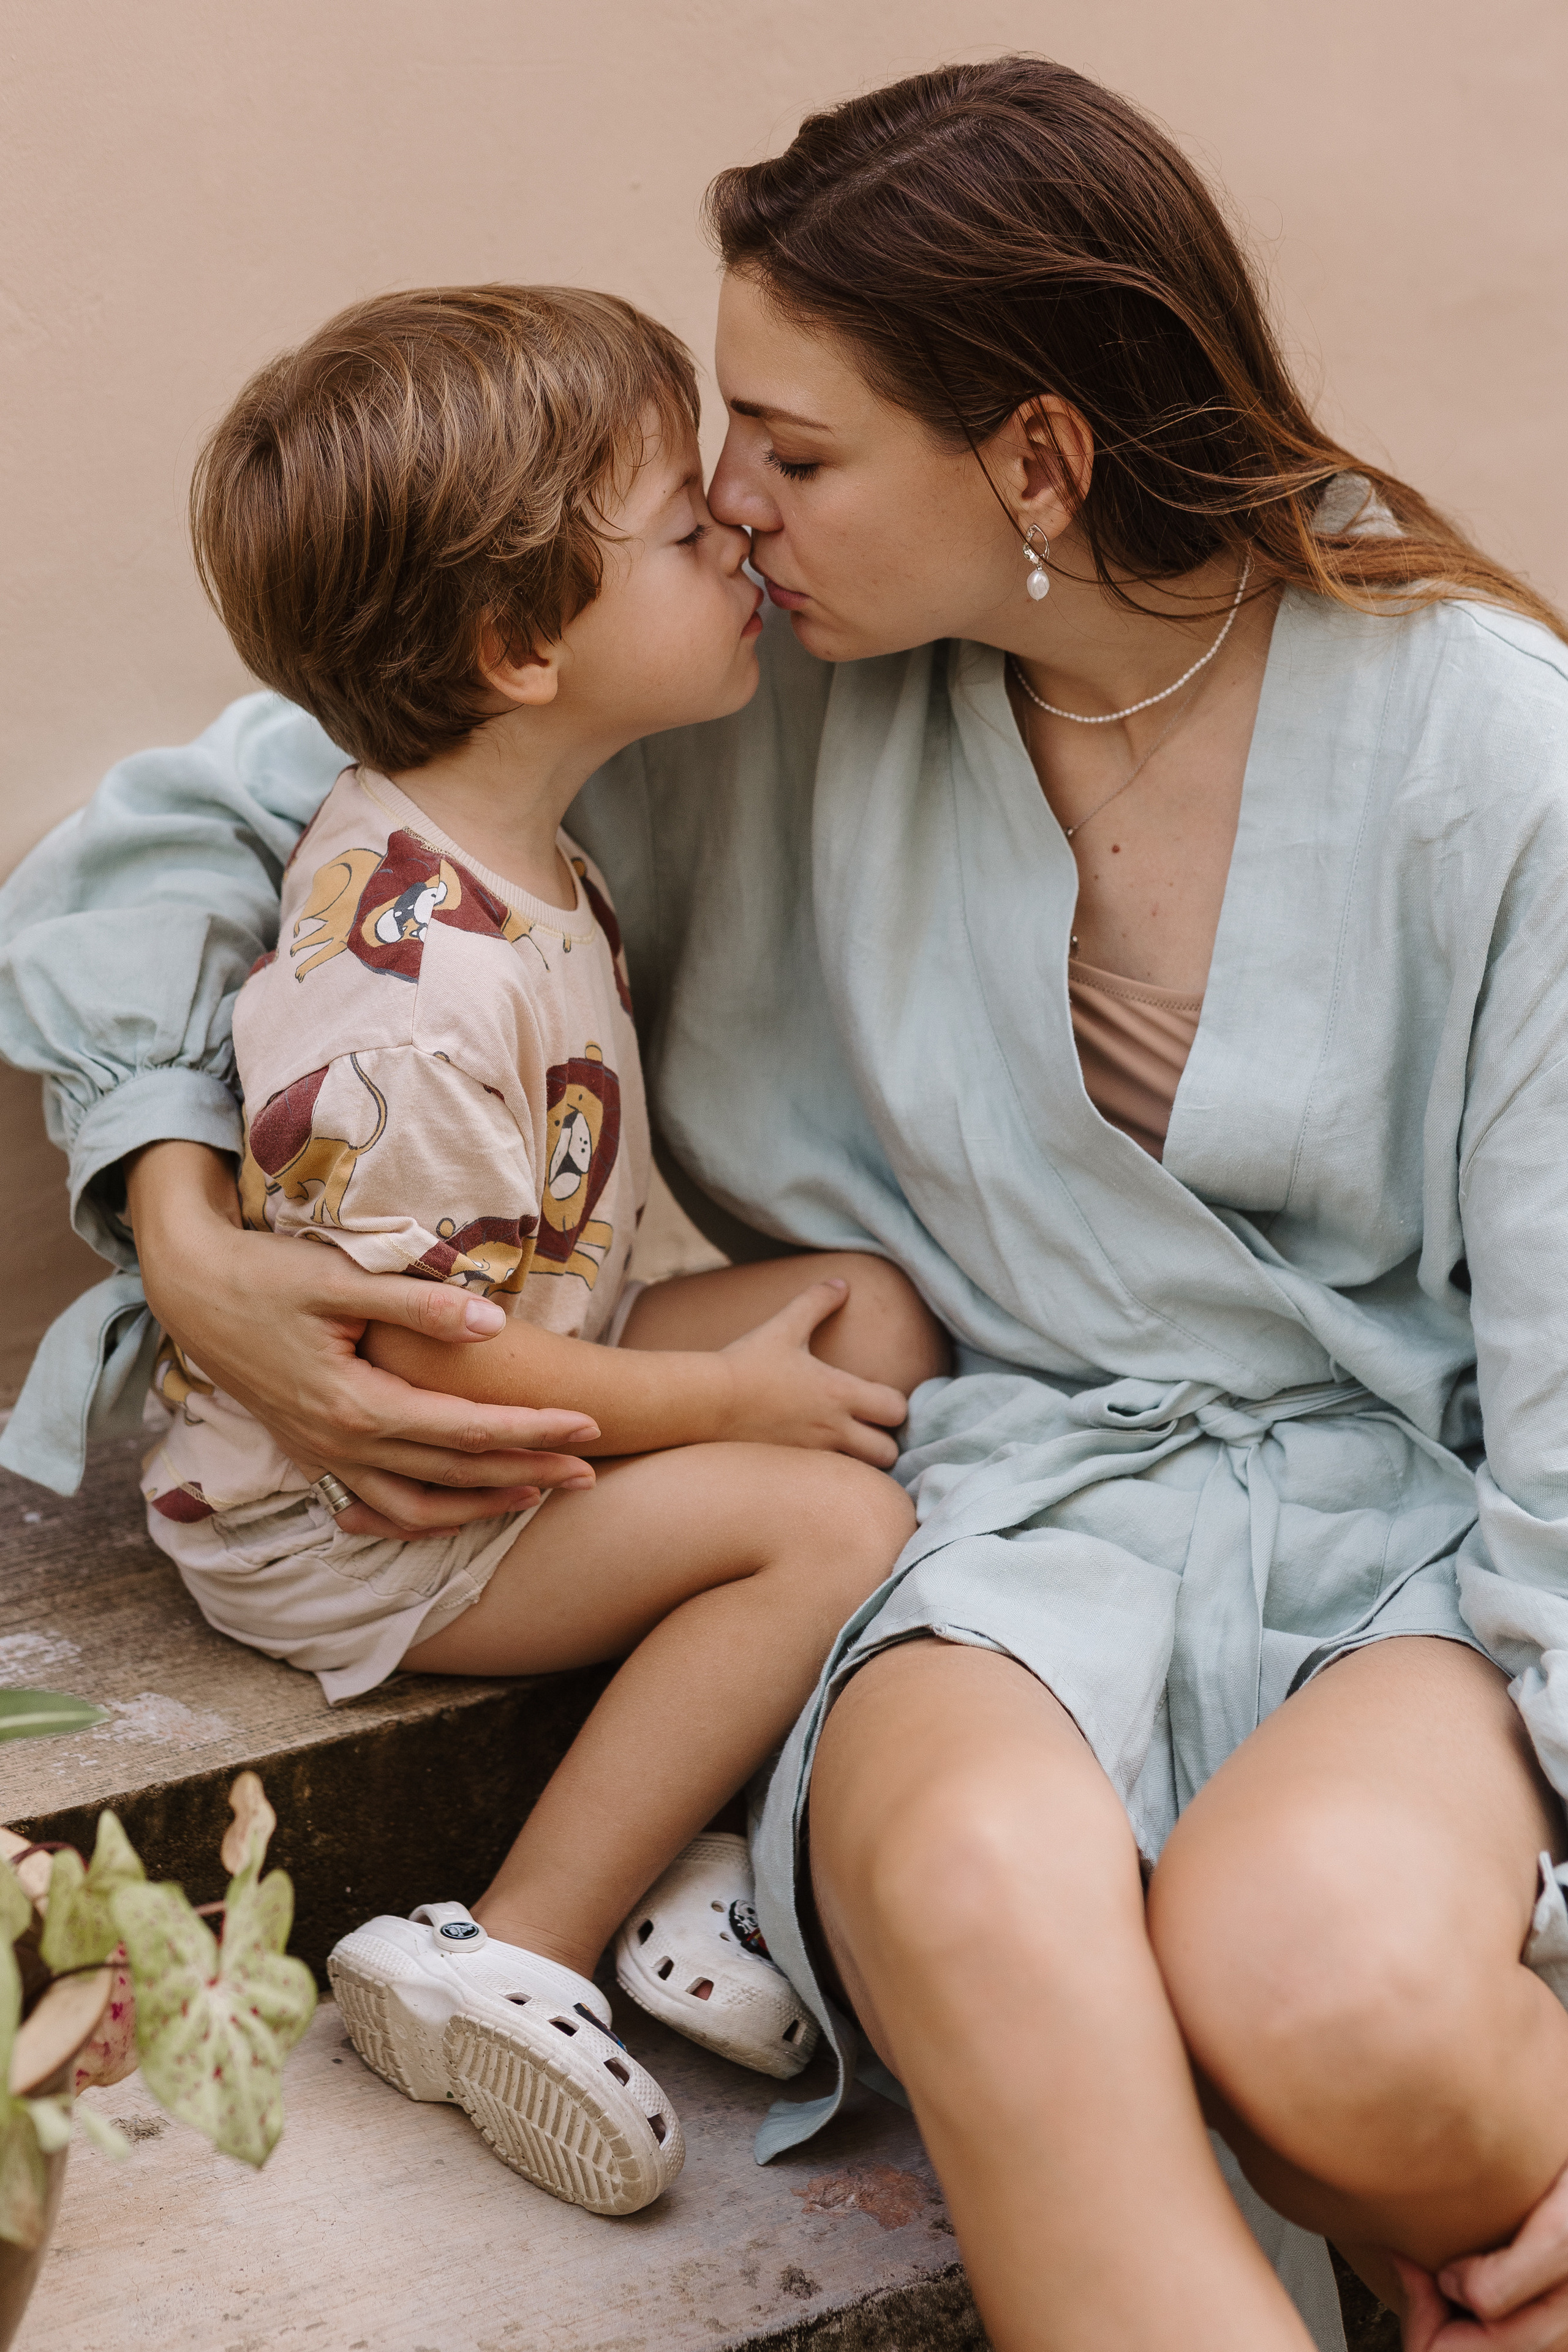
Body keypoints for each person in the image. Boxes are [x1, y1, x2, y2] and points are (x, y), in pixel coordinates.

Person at [5, 51, 1568, 2351]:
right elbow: (180, 831)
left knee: (1340, 2014)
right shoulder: (738, 672)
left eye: (796, 449)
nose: (727, 504)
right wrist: (178, 1225)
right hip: (969, 1520)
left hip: (1414, 1548)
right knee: (973, 1899)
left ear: (1037, 458)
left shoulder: (1489, 747)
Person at [132, 282, 937, 2218]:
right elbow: (419, 1373)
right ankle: (511, 1945)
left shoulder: (513, 839)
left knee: (869, 1308)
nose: (736, 526)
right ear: (516, 648)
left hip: (533, 1328)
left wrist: (728, 1372)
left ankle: (681, 1832)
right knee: (831, 1519)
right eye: (682, 527)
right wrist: (717, 1399)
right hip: (366, 1519)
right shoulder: (408, 999)